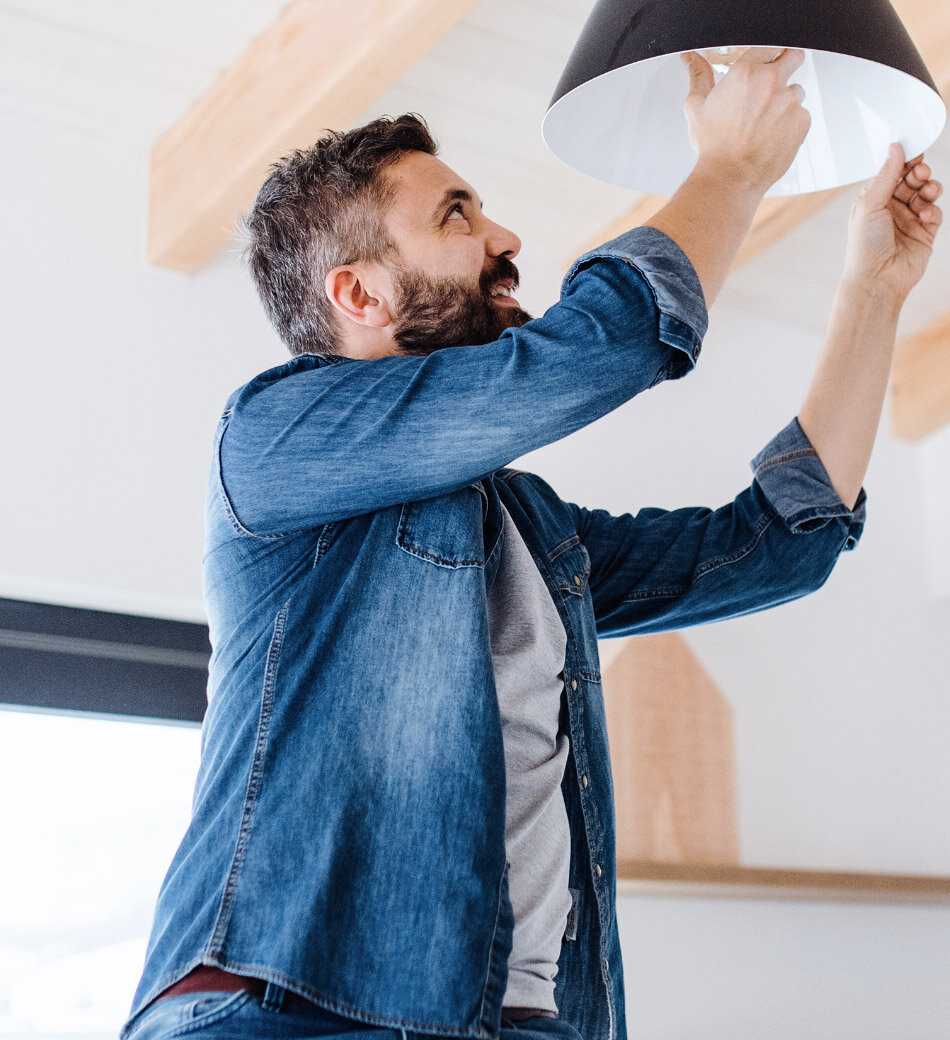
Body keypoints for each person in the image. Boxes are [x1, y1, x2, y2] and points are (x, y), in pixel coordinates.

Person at [119, 47, 941, 1040]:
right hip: (288, 1007)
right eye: (456, 216)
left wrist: (871, 294)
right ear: (359, 295)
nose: (505, 237)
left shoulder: (533, 533)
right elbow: (597, 348)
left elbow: (776, 545)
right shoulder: (274, 439)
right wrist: (727, 169)